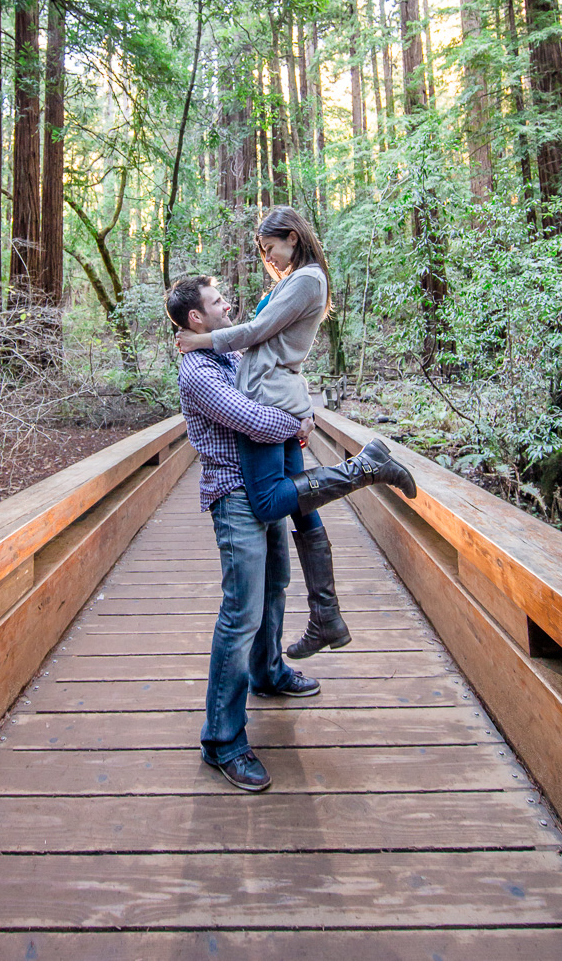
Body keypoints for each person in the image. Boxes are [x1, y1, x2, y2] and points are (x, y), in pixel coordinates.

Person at [175, 207, 417, 658]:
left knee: (270, 500)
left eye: (270, 248)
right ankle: (326, 616)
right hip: (276, 392)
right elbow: (272, 341)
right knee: (302, 504)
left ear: (291, 236)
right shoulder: (294, 279)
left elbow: (259, 331)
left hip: (269, 396)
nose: (269, 257)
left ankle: (366, 466)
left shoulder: (307, 278)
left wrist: (201, 340)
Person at [165, 273, 322, 792]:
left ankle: (269, 671)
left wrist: (297, 410)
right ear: (195, 319)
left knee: (276, 585)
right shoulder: (198, 371)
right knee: (240, 612)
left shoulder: (231, 354)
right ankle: (223, 739)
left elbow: (274, 381)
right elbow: (252, 418)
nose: (226, 303)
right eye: (216, 301)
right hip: (233, 497)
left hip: (265, 485)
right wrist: (297, 424)